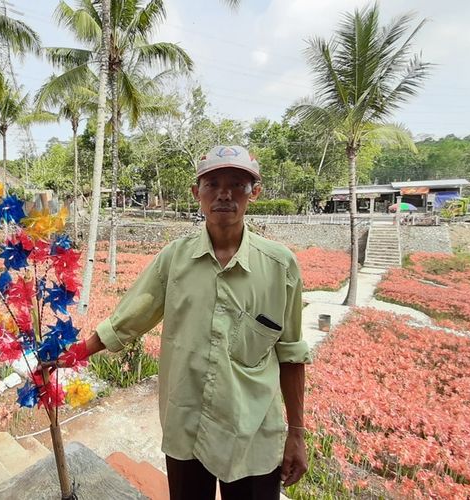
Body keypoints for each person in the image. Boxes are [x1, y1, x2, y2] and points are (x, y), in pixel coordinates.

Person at [68, 145, 311, 499]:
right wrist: (74, 354)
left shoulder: (280, 266)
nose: (224, 194)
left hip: (252, 434)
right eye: (212, 184)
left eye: (237, 184)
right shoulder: (174, 260)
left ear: (254, 193)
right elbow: (128, 320)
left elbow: (291, 354)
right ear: (197, 194)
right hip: (187, 425)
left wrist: (297, 433)